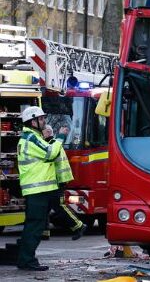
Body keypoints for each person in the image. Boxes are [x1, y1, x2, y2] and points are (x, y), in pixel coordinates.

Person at [16, 106, 66, 271]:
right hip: (37, 191)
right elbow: (51, 153)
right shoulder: (31, 138)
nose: (44, 121)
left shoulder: (31, 137)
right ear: (33, 121)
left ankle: (26, 259)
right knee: (35, 227)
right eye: (41, 119)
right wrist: (59, 137)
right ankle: (27, 261)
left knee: (34, 226)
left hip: (36, 190)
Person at [40, 124, 87, 241]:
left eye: (42, 133)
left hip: (57, 181)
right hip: (53, 180)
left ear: (47, 133)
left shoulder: (53, 143)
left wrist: (61, 135)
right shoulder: (53, 143)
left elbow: (51, 153)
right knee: (45, 206)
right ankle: (44, 232)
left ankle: (79, 226)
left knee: (59, 205)